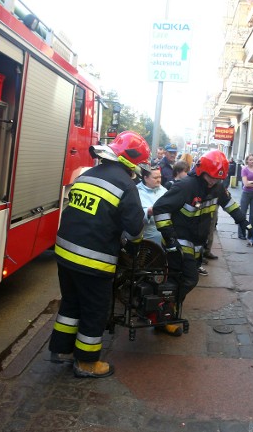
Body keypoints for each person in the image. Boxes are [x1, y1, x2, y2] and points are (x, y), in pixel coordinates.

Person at [49, 131, 150, 378]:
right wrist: (133, 243)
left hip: (65, 252)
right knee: (95, 309)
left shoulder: (88, 175)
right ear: (132, 162)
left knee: (71, 303)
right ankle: (86, 363)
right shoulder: (126, 185)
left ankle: (62, 350)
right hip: (93, 260)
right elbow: (135, 230)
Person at [153, 150, 251, 335]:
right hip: (179, 241)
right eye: (211, 177)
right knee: (189, 278)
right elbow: (160, 209)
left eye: (217, 178)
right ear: (201, 171)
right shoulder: (186, 186)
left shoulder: (216, 187)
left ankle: (164, 313)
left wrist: (243, 221)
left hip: (197, 242)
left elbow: (229, 204)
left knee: (179, 280)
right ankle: (162, 311)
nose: (214, 181)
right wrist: (170, 238)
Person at [137, 165, 167, 246]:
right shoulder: (137, 192)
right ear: (146, 178)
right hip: (148, 238)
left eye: (160, 177)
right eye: (155, 178)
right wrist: (148, 212)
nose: (159, 180)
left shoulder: (163, 190)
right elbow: (135, 215)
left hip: (165, 236)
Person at [238, 154, 253, 240]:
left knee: (252, 215)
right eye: (250, 160)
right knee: (242, 214)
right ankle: (241, 233)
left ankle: (250, 234)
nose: (252, 161)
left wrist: (251, 182)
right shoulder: (244, 169)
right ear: (247, 161)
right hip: (246, 194)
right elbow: (246, 184)